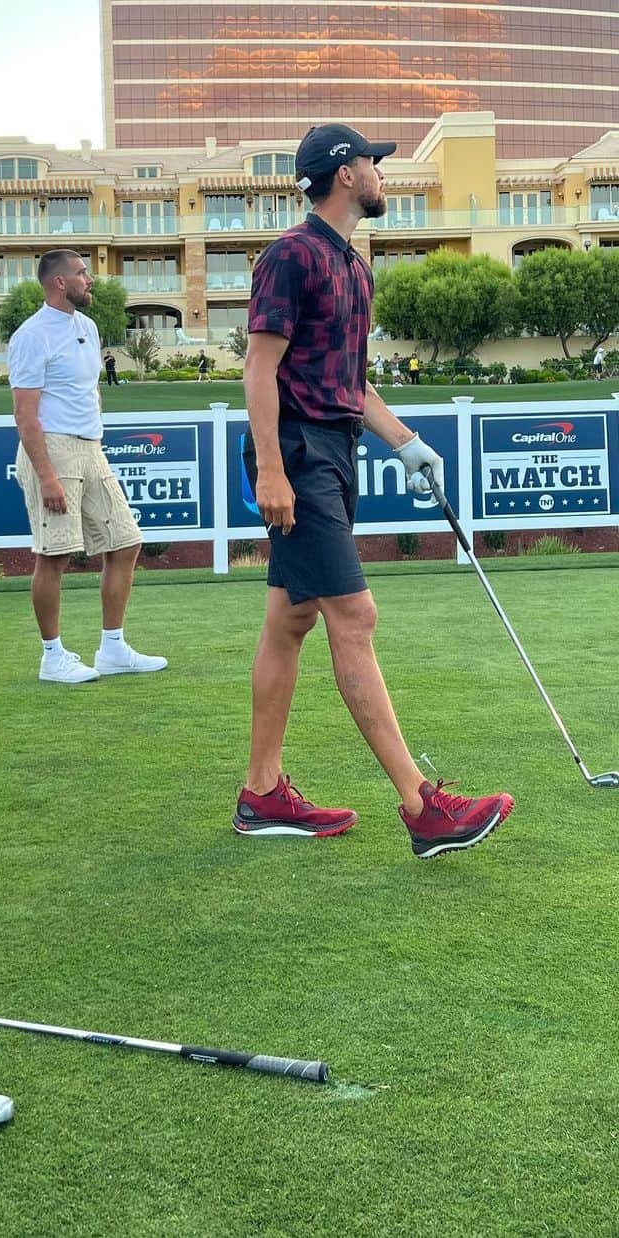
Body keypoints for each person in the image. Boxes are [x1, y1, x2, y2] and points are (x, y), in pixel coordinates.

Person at [236, 122, 513, 859]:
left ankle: (262, 794)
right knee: (353, 615)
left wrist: (408, 444)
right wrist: (270, 468)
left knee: (291, 621)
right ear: (344, 172)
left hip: (334, 449)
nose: (381, 172)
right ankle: (424, 808)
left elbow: (351, 384)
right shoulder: (290, 256)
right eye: (373, 162)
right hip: (295, 453)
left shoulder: (355, 267)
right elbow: (259, 370)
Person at [8, 249, 167, 684]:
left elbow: (89, 390)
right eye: (81, 273)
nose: (89, 279)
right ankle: (52, 657)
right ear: (59, 282)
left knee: (125, 542)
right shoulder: (32, 335)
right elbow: (25, 414)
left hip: (91, 449)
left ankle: (112, 649)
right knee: (55, 555)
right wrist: (46, 475)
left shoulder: (88, 327)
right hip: (52, 451)